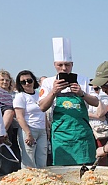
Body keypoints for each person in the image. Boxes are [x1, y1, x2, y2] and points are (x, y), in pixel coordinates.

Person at [38, 37, 99, 165]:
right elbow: (42, 107)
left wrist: (82, 94)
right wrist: (54, 92)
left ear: (72, 65)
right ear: (54, 65)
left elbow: (96, 102)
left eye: (67, 65)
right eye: (60, 65)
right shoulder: (48, 83)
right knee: (62, 173)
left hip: (82, 134)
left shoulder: (83, 80)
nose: (64, 68)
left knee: (86, 170)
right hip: (61, 135)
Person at [13, 70, 48, 169]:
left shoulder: (39, 94)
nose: (27, 83)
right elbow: (19, 116)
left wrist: (47, 128)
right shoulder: (20, 96)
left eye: (29, 80)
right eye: (23, 82)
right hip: (29, 129)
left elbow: (43, 111)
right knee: (29, 160)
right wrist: (28, 133)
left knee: (42, 158)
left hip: (41, 129)